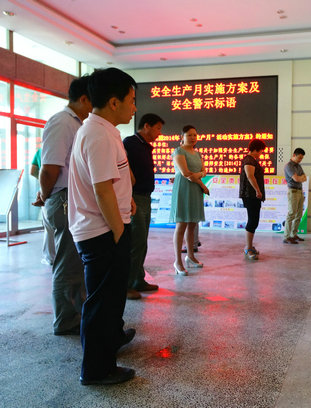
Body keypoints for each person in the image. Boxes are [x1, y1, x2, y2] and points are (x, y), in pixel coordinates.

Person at [68, 67, 138, 385]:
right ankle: (97, 370)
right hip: (103, 231)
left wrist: (127, 201)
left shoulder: (103, 130)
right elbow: (102, 190)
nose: (134, 107)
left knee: (109, 301)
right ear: (113, 102)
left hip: (108, 227)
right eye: (131, 100)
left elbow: (112, 181)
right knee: (101, 304)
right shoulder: (97, 134)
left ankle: (109, 346)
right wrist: (119, 232)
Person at [31, 77, 91, 336]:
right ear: (84, 98)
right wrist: (45, 196)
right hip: (64, 198)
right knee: (67, 263)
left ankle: (76, 314)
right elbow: (49, 168)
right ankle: (66, 321)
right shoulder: (62, 122)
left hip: (72, 198)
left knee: (75, 262)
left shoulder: (78, 124)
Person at [123, 113, 165, 300]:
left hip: (145, 197)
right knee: (135, 242)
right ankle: (126, 285)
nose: (159, 133)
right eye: (158, 128)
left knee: (142, 242)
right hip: (134, 197)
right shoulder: (130, 143)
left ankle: (138, 280)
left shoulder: (145, 146)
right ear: (146, 126)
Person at [170, 125, 209, 275]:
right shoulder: (178, 151)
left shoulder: (197, 153)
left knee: (192, 224)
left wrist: (198, 176)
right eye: (189, 135)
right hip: (184, 189)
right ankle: (177, 261)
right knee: (181, 225)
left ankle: (190, 257)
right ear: (182, 137)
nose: (193, 138)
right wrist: (202, 184)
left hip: (195, 190)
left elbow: (203, 171)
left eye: (194, 135)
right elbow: (186, 174)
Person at [239, 139, 266, 260]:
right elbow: (250, 176)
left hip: (253, 195)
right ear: (256, 149)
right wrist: (258, 191)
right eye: (261, 151)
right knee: (252, 221)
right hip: (250, 195)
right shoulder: (249, 160)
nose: (261, 154)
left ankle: (249, 246)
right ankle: (248, 248)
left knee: (254, 220)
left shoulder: (252, 160)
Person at [31, 147, 56, 266]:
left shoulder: (40, 151)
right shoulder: (58, 150)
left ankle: (49, 257)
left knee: (48, 228)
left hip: (44, 191)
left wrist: (42, 181)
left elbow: (32, 171)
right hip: (59, 190)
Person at [283, 147, 307, 244]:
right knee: (292, 214)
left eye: (302, 158)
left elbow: (304, 177)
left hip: (300, 191)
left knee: (299, 214)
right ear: (294, 155)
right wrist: (300, 178)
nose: (300, 160)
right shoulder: (289, 166)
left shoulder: (298, 166)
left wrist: (300, 178)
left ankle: (294, 234)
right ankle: (287, 236)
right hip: (293, 191)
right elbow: (296, 179)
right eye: (299, 157)